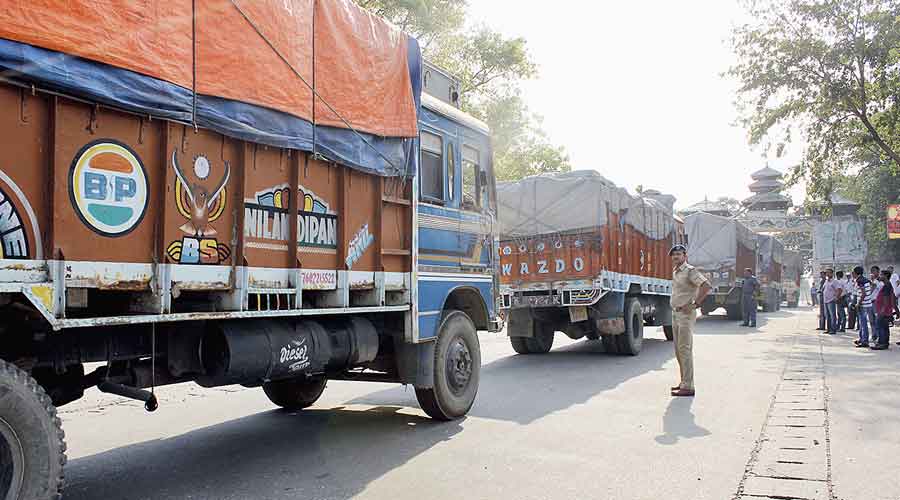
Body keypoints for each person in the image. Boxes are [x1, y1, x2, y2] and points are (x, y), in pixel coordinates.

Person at [669, 244, 711, 398]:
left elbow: (706, 286)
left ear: (685, 256)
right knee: (678, 350)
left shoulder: (690, 271)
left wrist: (695, 304)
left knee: (685, 349)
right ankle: (684, 381)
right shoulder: (676, 271)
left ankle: (688, 386)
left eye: (679, 254)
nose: (675, 257)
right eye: (673, 255)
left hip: (686, 315)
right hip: (676, 313)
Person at [871, 270, 898, 350]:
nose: (880, 276)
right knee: (884, 327)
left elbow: (886, 300)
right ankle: (884, 343)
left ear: (886, 276)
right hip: (884, 310)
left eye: (881, 275)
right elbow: (892, 299)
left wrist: (882, 311)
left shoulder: (887, 286)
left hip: (883, 311)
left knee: (881, 327)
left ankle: (882, 343)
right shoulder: (887, 285)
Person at [853, 266, 874, 348]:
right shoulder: (866, 279)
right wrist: (869, 296)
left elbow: (863, 293)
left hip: (863, 304)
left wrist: (858, 303)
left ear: (856, 273)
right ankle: (862, 339)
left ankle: (864, 341)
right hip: (868, 303)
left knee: (863, 323)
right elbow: (873, 285)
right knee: (862, 322)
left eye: (853, 272)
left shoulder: (859, 280)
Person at [823, 269, 838, 334]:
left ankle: (833, 329)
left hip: (831, 300)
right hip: (826, 300)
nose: (827, 274)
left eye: (829, 273)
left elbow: (839, 290)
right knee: (827, 315)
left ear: (832, 273)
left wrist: (836, 297)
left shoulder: (834, 281)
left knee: (832, 315)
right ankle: (828, 329)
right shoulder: (826, 281)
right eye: (826, 273)